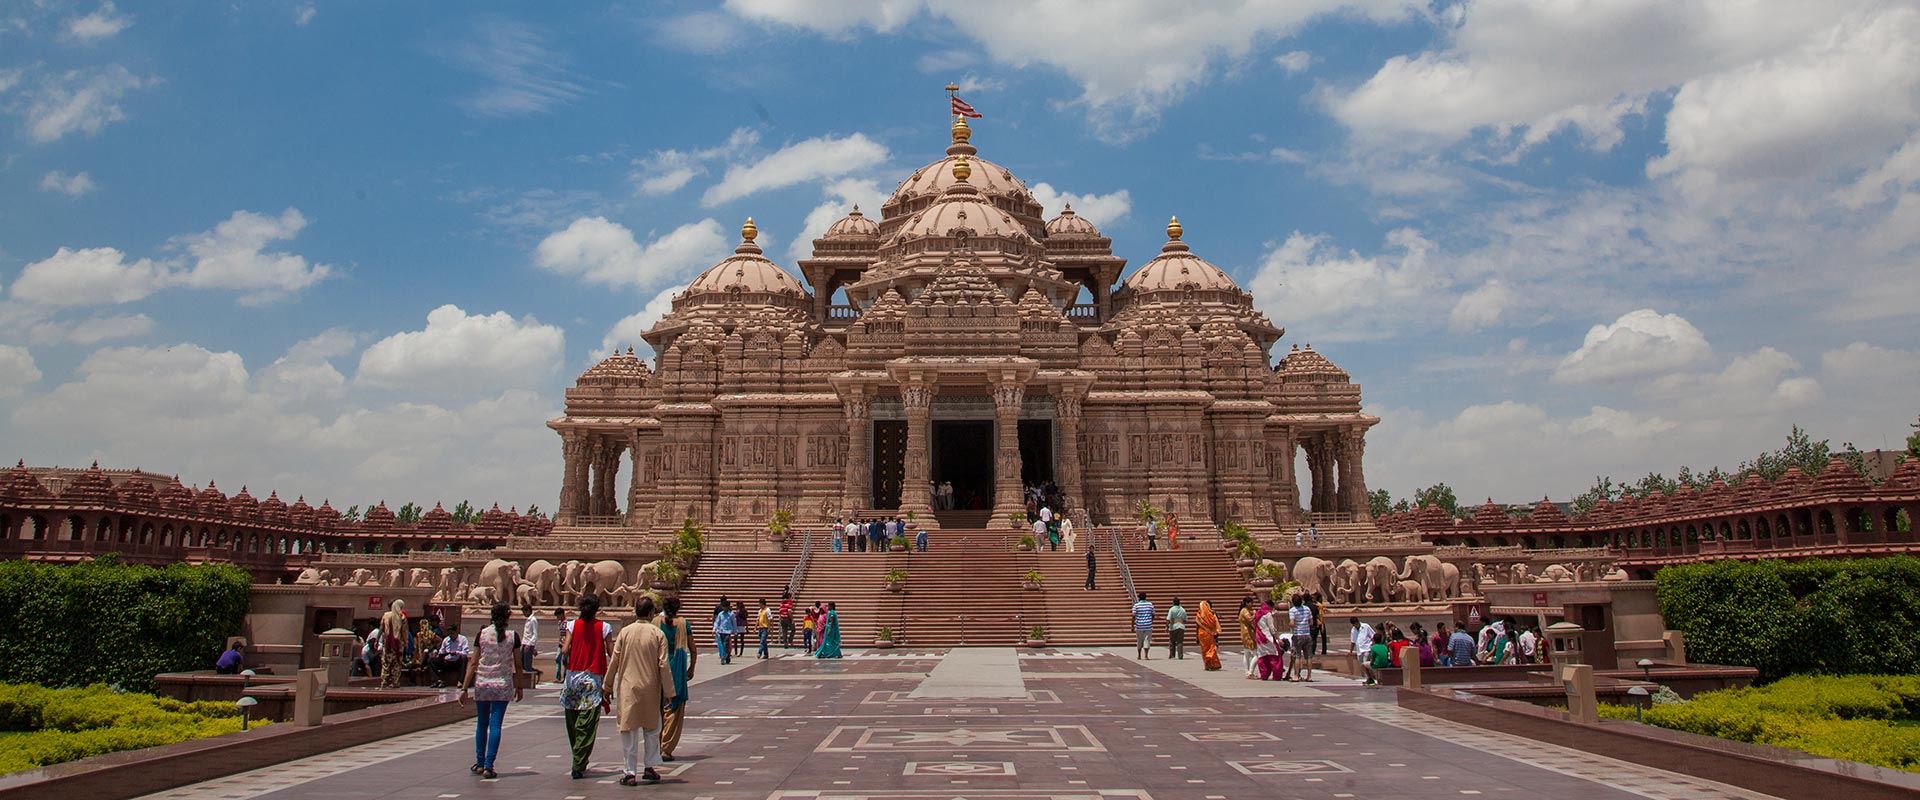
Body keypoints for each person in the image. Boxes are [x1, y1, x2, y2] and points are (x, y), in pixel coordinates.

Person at [607, 595, 675, 786]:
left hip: (628, 686)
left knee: (628, 729)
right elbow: (664, 664)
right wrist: (669, 690)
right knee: (652, 729)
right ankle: (649, 767)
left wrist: (607, 685)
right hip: (650, 687)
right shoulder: (657, 633)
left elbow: (615, 660)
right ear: (651, 613)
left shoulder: (625, 633)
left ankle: (629, 772)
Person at [459, 602, 524, 780]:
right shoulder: (513, 636)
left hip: (482, 683)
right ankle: (489, 764)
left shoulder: (482, 634)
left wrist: (464, 688)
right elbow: (518, 664)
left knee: (482, 723)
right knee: (495, 724)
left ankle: (480, 762)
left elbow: (473, 663)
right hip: (502, 685)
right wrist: (520, 685)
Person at [559, 593, 614, 780]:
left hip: (573, 677)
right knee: (588, 723)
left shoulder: (572, 625)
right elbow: (611, 652)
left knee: (573, 719)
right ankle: (579, 760)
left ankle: (578, 756)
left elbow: (565, 649)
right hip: (592, 678)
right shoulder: (604, 627)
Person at [656, 597, 696, 762]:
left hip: (659, 666)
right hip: (676, 668)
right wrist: (691, 668)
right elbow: (693, 649)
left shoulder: (655, 623)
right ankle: (666, 747)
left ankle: (657, 745)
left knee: (657, 707)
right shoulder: (683, 624)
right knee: (674, 707)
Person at [379, 599, 408, 689]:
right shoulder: (402, 616)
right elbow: (404, 631)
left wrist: (377, 640)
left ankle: (384, 681)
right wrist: (406, 642)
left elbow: (381, 628)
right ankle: (395, 681)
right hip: (398, 644)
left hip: (387, 643)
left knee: (386, 662)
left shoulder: (385, 615)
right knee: (396, 663)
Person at [1254, 600, 1285, 680]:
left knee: (1262, 657)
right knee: (1275, 656)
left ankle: (1264, 674)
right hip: (1268, 637)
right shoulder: (1268, 614)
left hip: (1260, 638)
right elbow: (1272, 628)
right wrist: (1278, 638)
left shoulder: (1258, 613)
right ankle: (1277, 675)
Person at [1287, 594, 1314, 681]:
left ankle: (1296, 675)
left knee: (1297, 656)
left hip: (1298, 634)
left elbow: (1292, 623)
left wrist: (1291, 625)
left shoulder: (1292, 610)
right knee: (1309, 656)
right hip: (1307, 634)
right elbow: (1311, 622)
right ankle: (1309, 676)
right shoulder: (1307, 609)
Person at [1196, 600, 1222, 670]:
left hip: (1201, 634)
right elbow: (1217, 623)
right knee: (1212, 648)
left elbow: (1197, 625)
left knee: (1204, 650)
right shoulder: (1212, 614)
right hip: (1211, 634)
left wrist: (1197, 637)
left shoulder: (1199, 615)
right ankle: (1210, 659)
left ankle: (1207, 665)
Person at [1237, 597, 1258, 677]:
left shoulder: (1248, 611)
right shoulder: (1244, 611)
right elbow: (1249, 619)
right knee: (1256, 654)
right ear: (1246, 603)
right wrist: (1255, 615)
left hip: (1246, 634)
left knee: (1247, 654)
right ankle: (1250, 672)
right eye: (1251, 603)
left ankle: (1247, 672)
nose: (1252, 605)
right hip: (1248, 634)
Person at [520, 600, 540, 681]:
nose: (524, 614)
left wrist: (531, 645)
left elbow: (535, 634)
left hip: (528, 644)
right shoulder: (528, 620)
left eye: (524, 612)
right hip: (524, 643)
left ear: (528, 611)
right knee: (522, 663)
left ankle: (534, 675)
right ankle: (536, 673)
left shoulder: (533, 620)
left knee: (527, 664)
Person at [1131, 593, 1155, 659]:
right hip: (1148, 625)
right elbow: (1153, 614)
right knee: (1147, 640)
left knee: (1139, 640)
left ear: (1139, 598)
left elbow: (1133, 616)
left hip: (1139, 625)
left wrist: (1132, 625)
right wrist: (1151, 621)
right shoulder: (1150, 605)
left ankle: (1139, 655)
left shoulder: (1136, 605)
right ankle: (1146, 655)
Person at [552, 608, 569, 685]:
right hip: (560, 643)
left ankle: (564, 677)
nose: (557, 618)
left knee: (565, 661)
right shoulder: (560, 622)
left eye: (558, 616)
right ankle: (558, 676)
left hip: (565, 644)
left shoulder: (567, 623)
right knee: (558, 659)